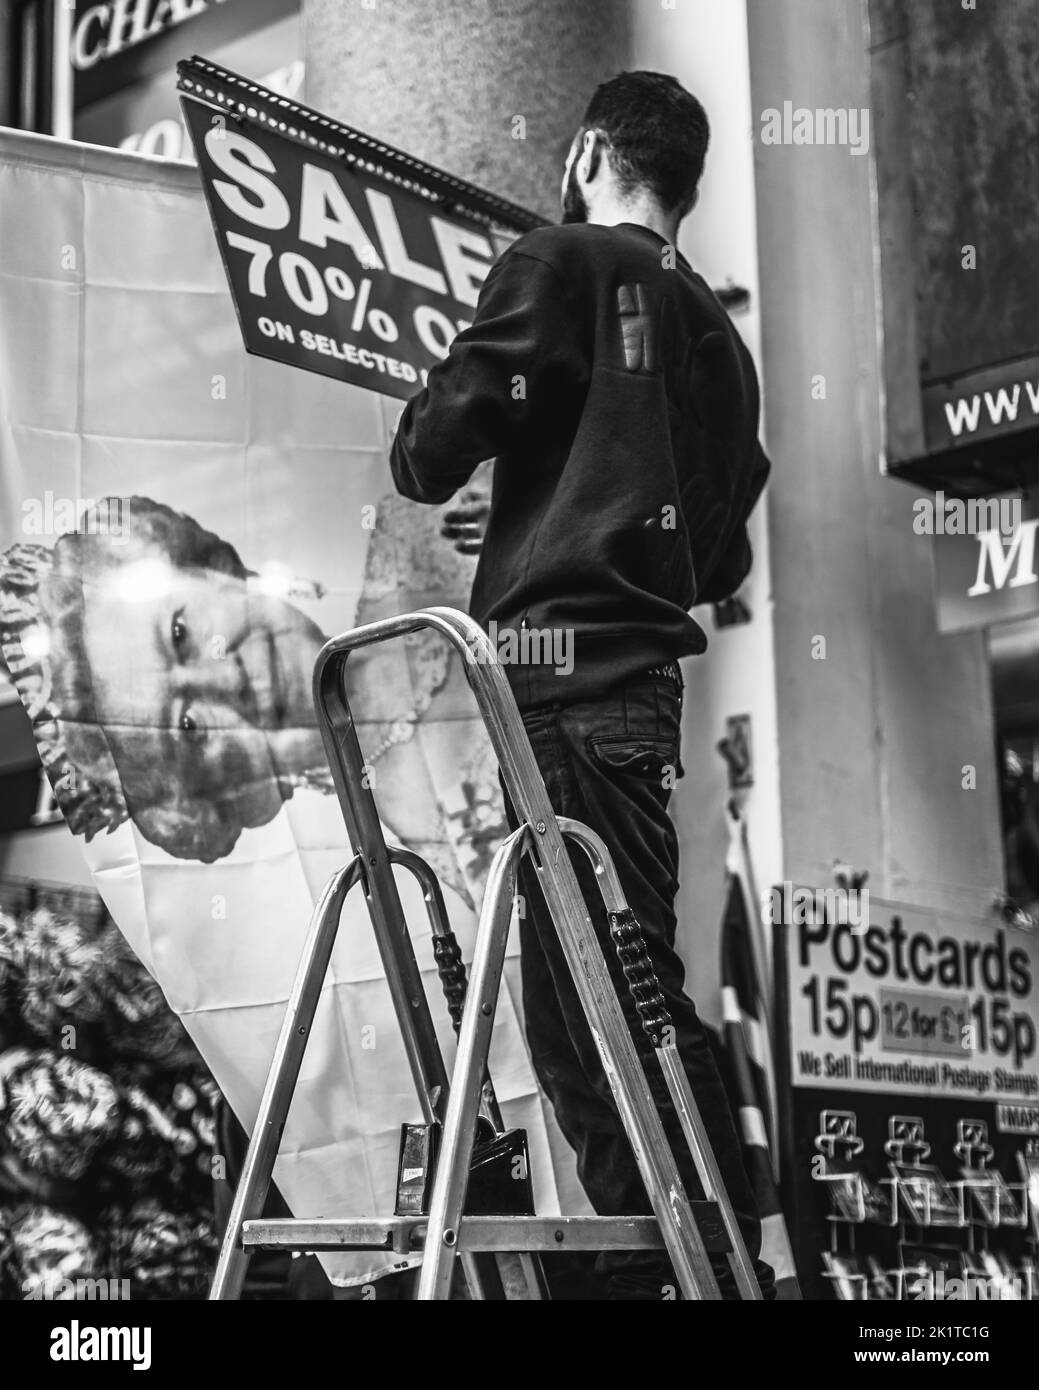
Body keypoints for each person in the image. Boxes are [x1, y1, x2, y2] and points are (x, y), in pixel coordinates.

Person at [391, 70, 775, 1299]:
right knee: (588, 1010)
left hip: (558, 683)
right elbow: (719, 557)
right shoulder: (717, 338)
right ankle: (679, 1263)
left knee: (606, 1001)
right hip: (630, 685)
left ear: (594, 148)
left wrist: (467, 421)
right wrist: (555, 509)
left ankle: (703, 1267)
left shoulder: (556, 260)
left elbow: (427, 446)